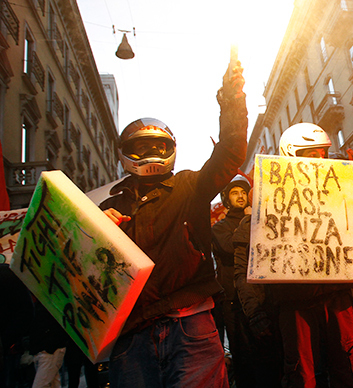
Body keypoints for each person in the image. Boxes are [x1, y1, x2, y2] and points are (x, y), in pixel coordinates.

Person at [100, 60, 248, 388]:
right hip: (133, 332)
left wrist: (232, 98)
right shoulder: (108, 207)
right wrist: (97, 232)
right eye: (142, 148)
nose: (152, 153)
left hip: (190, 321)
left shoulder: (189, 186)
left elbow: (230, 153)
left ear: (171, 151)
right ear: (126, 153)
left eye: (158, 147)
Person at [234, 123, 353, 388]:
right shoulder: (266, 204)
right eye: (311, 155)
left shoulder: (341, 196)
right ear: (291, 155)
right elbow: (244, 266)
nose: (320, 161)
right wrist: (255, 313)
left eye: (322, 155)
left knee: (348, 369)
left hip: (337, 299)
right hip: (294, 305)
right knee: (302, 377)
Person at [212, 175, 283, 388]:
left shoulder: (258, 218)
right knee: (244, 359)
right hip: (234, 302)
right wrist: (248, 222)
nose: (241, 196)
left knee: (270, 356)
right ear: (226, 198)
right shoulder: (219, 227)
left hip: (261, 296)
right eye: (235, 193)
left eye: (244, 192)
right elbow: (229, 246)